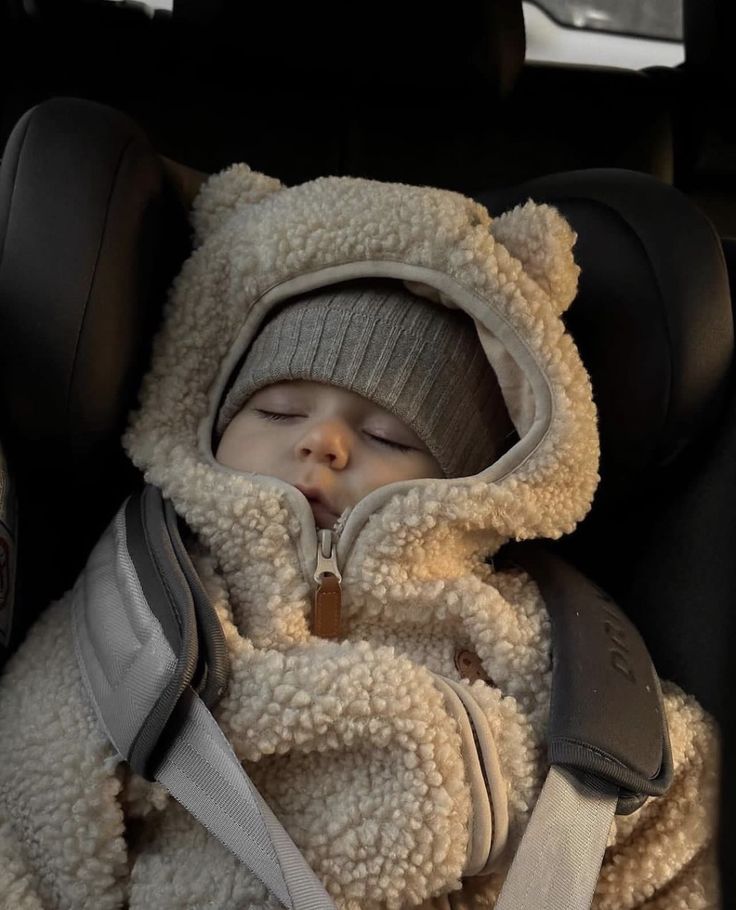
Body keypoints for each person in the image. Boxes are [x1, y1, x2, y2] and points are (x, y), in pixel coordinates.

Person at [0, 164, 719, 909]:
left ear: (465, 485)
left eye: (386, 434)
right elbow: (30, 797)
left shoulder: (533, 633)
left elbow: (666, 822)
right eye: (279, 411)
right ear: (213, 422)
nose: (324, 444)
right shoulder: (145, 615)